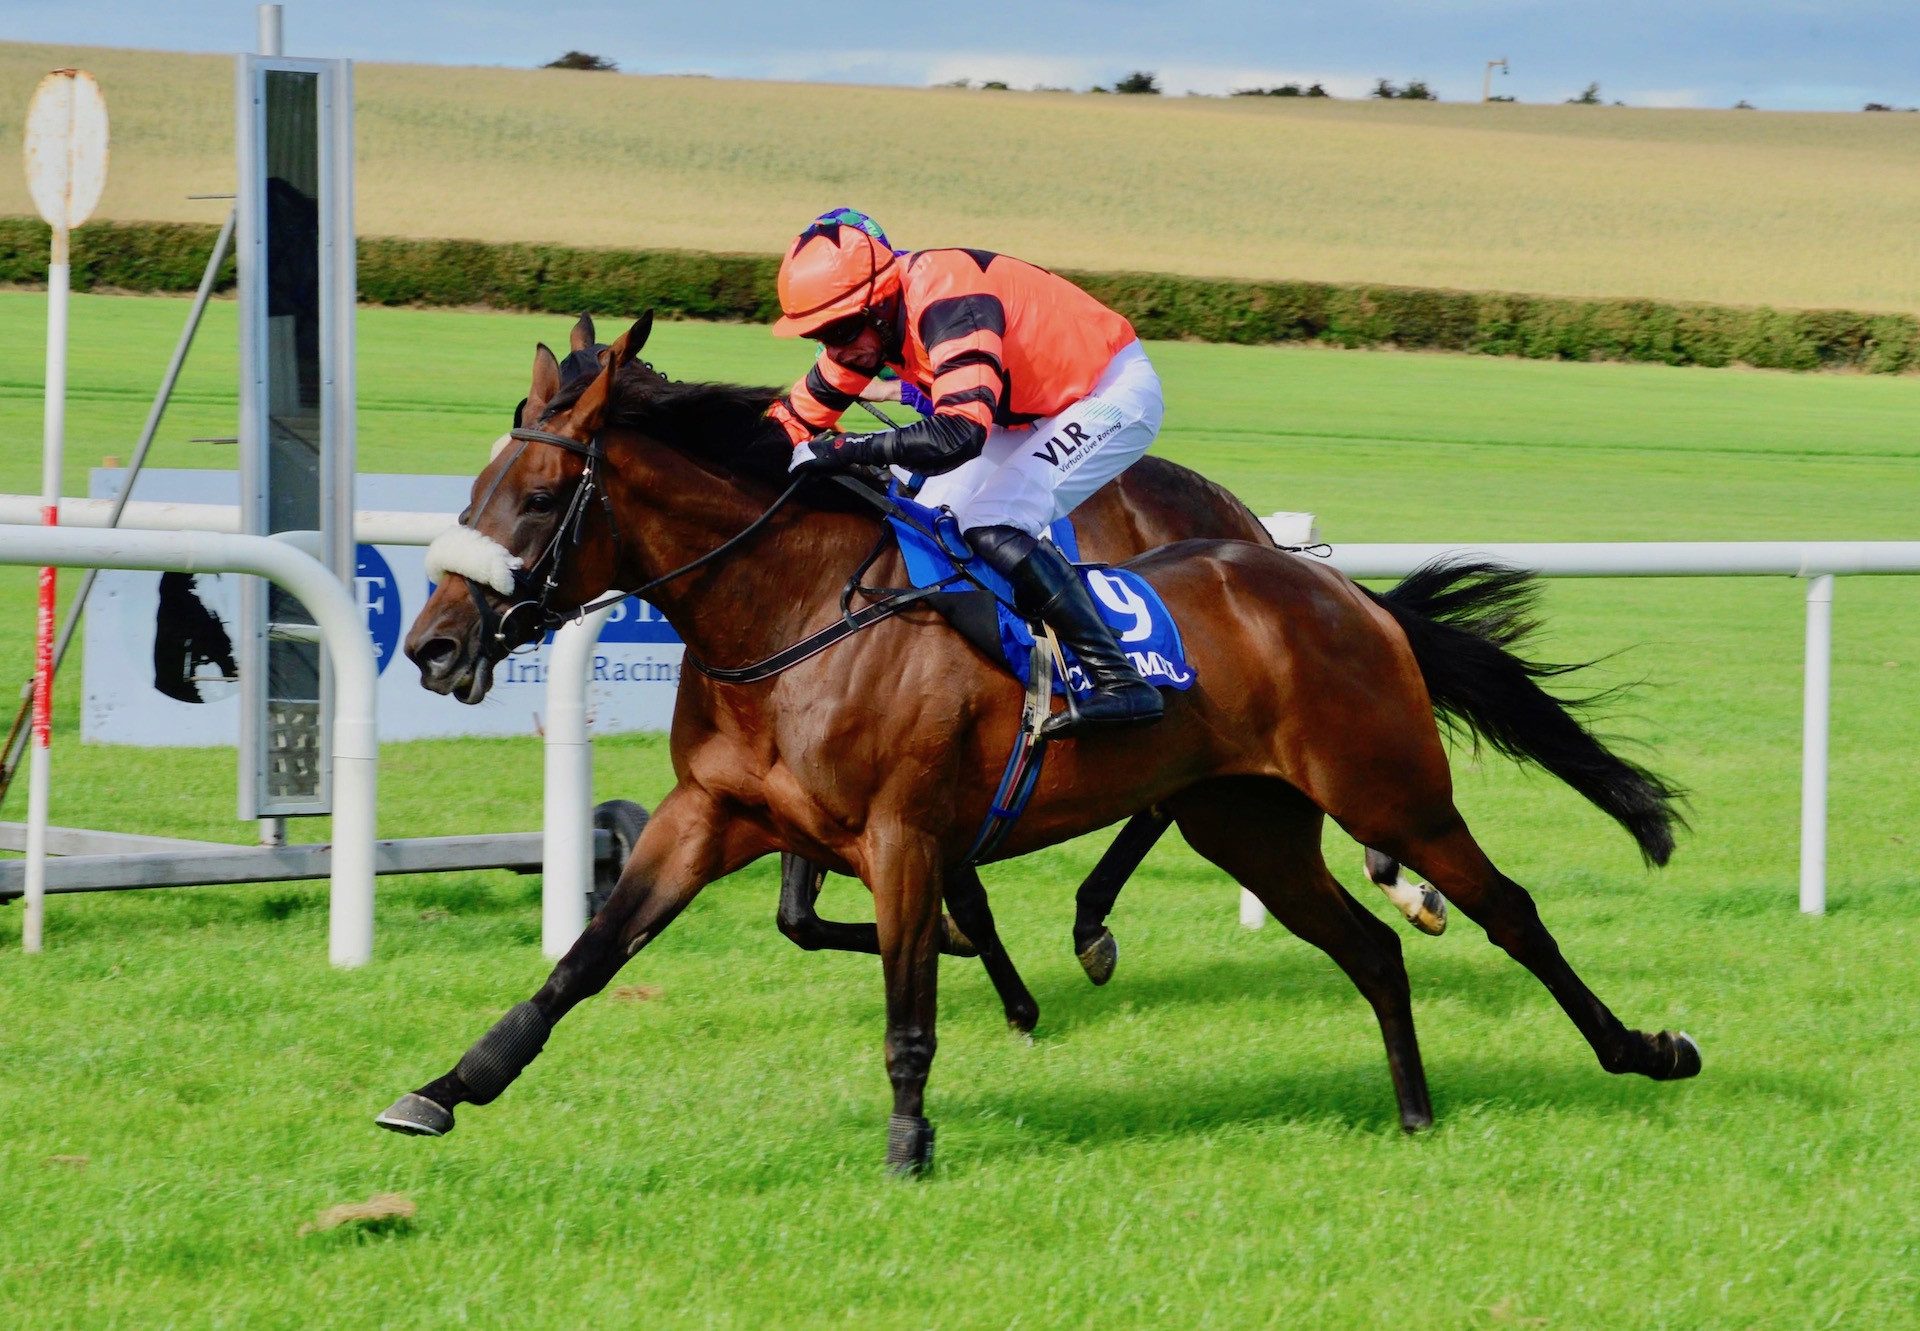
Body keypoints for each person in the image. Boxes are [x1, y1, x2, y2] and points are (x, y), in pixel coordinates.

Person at [767, 212, 1167, 736]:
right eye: (818, 335)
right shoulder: (866, 332)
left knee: (994, 521)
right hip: (1022, 410)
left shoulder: (948, 299)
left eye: (840, 330)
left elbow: (957, 435)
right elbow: (787, 427)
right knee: (925, 525)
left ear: (882, 302)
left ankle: (1120, 681)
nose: (835, 349)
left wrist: (843, 450)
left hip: (1107, 391)